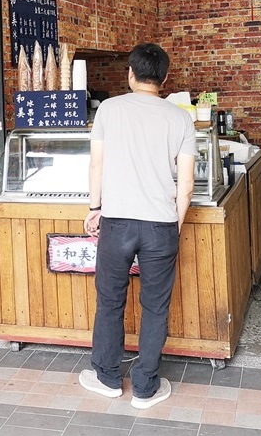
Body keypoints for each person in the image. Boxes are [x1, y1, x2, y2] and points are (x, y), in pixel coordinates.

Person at [78, 43, 196, 408]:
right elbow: (186, 186)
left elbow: (96, 165)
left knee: (110, 301)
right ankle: (145, 388)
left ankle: (108, 378)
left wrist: (95, 207)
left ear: (130, 73)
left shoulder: (109, 109)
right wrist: (173, 226)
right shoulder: (180, 118)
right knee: (156, 306)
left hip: (117, 222)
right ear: (164, 78)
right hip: (160, 224)